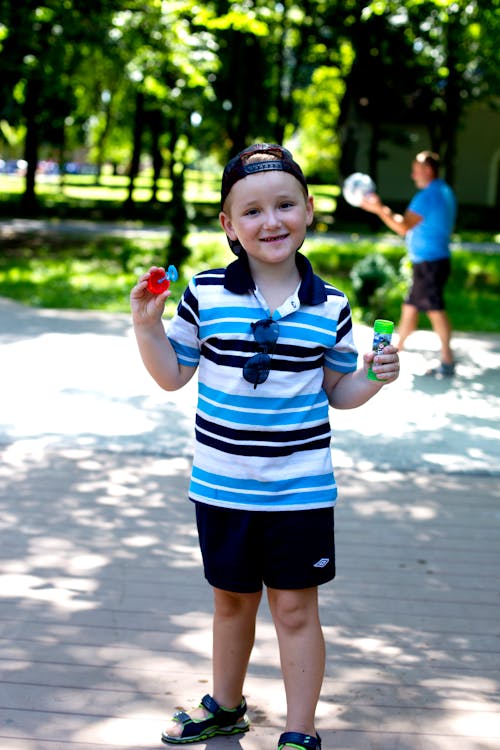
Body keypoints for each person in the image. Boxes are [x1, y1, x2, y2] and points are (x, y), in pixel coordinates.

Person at [130, 143, 400, 750]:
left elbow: (339, 390)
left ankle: (300, 731)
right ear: (228, 224)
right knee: (231, 604)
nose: (270, 221)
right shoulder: (205, 293)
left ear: (308, 210)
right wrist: (147, 326)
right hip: (222, 486)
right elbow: (173, 375)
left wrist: (374, 378)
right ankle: (226, 707)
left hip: (299, 489)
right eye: (251, 211)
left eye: (284, 205)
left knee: (296, 611)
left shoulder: (330, 305)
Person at [360, 150, 457, 376]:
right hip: (434, 261)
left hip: (429, 263)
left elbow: (403, 226)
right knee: (410, 306)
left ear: (428, 170)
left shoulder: (428, 196)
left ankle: (448, 361)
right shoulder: (445, 191)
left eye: (416, 170)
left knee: (435, 310)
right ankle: (394, 351)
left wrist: (378, 209)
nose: (413, 176)